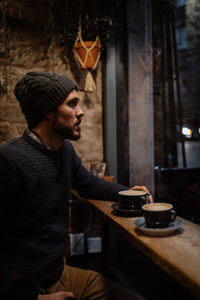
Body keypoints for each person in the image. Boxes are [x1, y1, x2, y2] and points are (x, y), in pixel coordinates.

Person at [0, 72, 153, 300]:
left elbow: (89, 184)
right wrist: (33, 298)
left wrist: (127, 192)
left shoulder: (65, 152)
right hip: (27, 288)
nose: (81, 112)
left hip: (60, 273)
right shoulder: (9, 160)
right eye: (72, 104)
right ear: (48, 113)